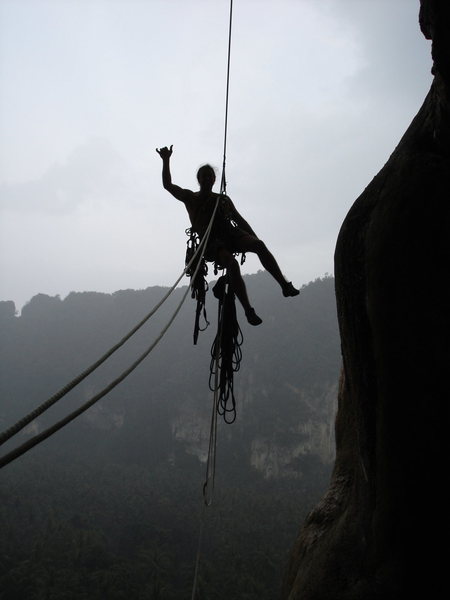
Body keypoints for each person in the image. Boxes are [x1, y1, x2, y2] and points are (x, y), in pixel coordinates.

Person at [156, 145, 299, 326]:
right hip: (212, 243)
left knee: (259, 246)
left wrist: (255, 240)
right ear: (198, 179)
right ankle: (248, 310)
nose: (208, 179)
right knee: (231, 264)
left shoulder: (222, 200)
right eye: (204, 176)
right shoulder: (191, 198)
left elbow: (239, 220)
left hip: (230, 234)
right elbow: (168, 185)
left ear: (215, 179)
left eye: (210, 176)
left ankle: (284, 285)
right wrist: (166, 160)